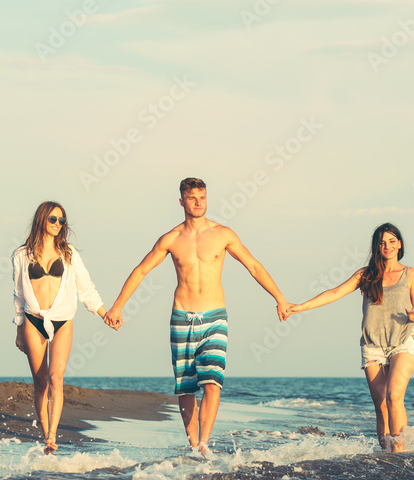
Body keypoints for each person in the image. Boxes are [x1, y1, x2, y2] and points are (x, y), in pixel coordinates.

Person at [103, 178, 291, 454]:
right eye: (192, 198)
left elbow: (253, 265)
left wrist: (279, 297)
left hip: (215, 316)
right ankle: (194, 447)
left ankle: (204, 443)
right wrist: (118, 305)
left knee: (212, 382)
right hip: (182, 317)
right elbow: (141, 270)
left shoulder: (223, 234)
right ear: (181, 201)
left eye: (202, 197)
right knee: (186, 387)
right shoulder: (171, 239)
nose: (198, 202)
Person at [283, 223, 414, 452]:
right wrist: (300, 307)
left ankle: (400, 454)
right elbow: (335, 292)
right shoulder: (366, 275)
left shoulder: (411, 274)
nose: (386, 246)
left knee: (394, 396)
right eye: (381, 242)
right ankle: (387, 454)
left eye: (391, 241)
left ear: (399, 244)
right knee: (380, 406)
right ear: (376, 247)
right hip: (373, 346)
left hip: (403, 341)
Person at [13, 201, 109, 454]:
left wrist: (103, 314)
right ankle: (45, 431)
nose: (58, 225)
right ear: (42, 220)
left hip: (62, 320)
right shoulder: (22, 255)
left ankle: (52, 436)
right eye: (53, 219)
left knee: (56, 377)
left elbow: (85, 287)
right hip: (33, 320)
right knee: (40, 380)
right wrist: (19, 328)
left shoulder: (69, 254)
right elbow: (18, 294)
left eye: (62, 221)